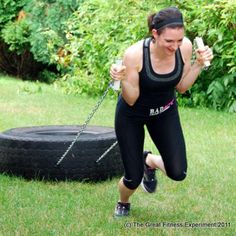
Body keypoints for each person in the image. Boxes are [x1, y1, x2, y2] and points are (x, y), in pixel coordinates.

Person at [110, 6, 213, 217]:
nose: (175, 46)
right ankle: (123, 202)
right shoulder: (134, 55)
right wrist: (120, 81)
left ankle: (150, 161)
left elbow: (182, 87)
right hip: (132, 115)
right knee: (132, 178)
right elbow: (131, 98)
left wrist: (199, 64)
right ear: (155, 34)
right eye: (169, 41)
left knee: (178, 172)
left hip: (164, 111)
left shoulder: (184, 48)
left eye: (179, 40)